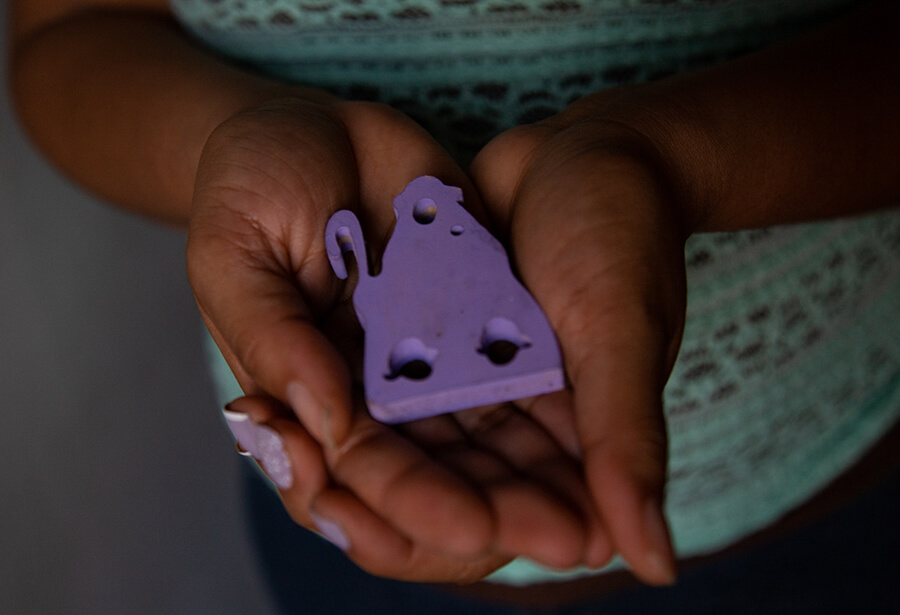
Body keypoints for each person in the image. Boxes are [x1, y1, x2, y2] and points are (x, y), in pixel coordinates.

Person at [10, 0, 900, 608]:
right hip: (340, 520)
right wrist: (226, 139)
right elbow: (74, 30)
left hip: (824, 473)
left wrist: (671, 160)